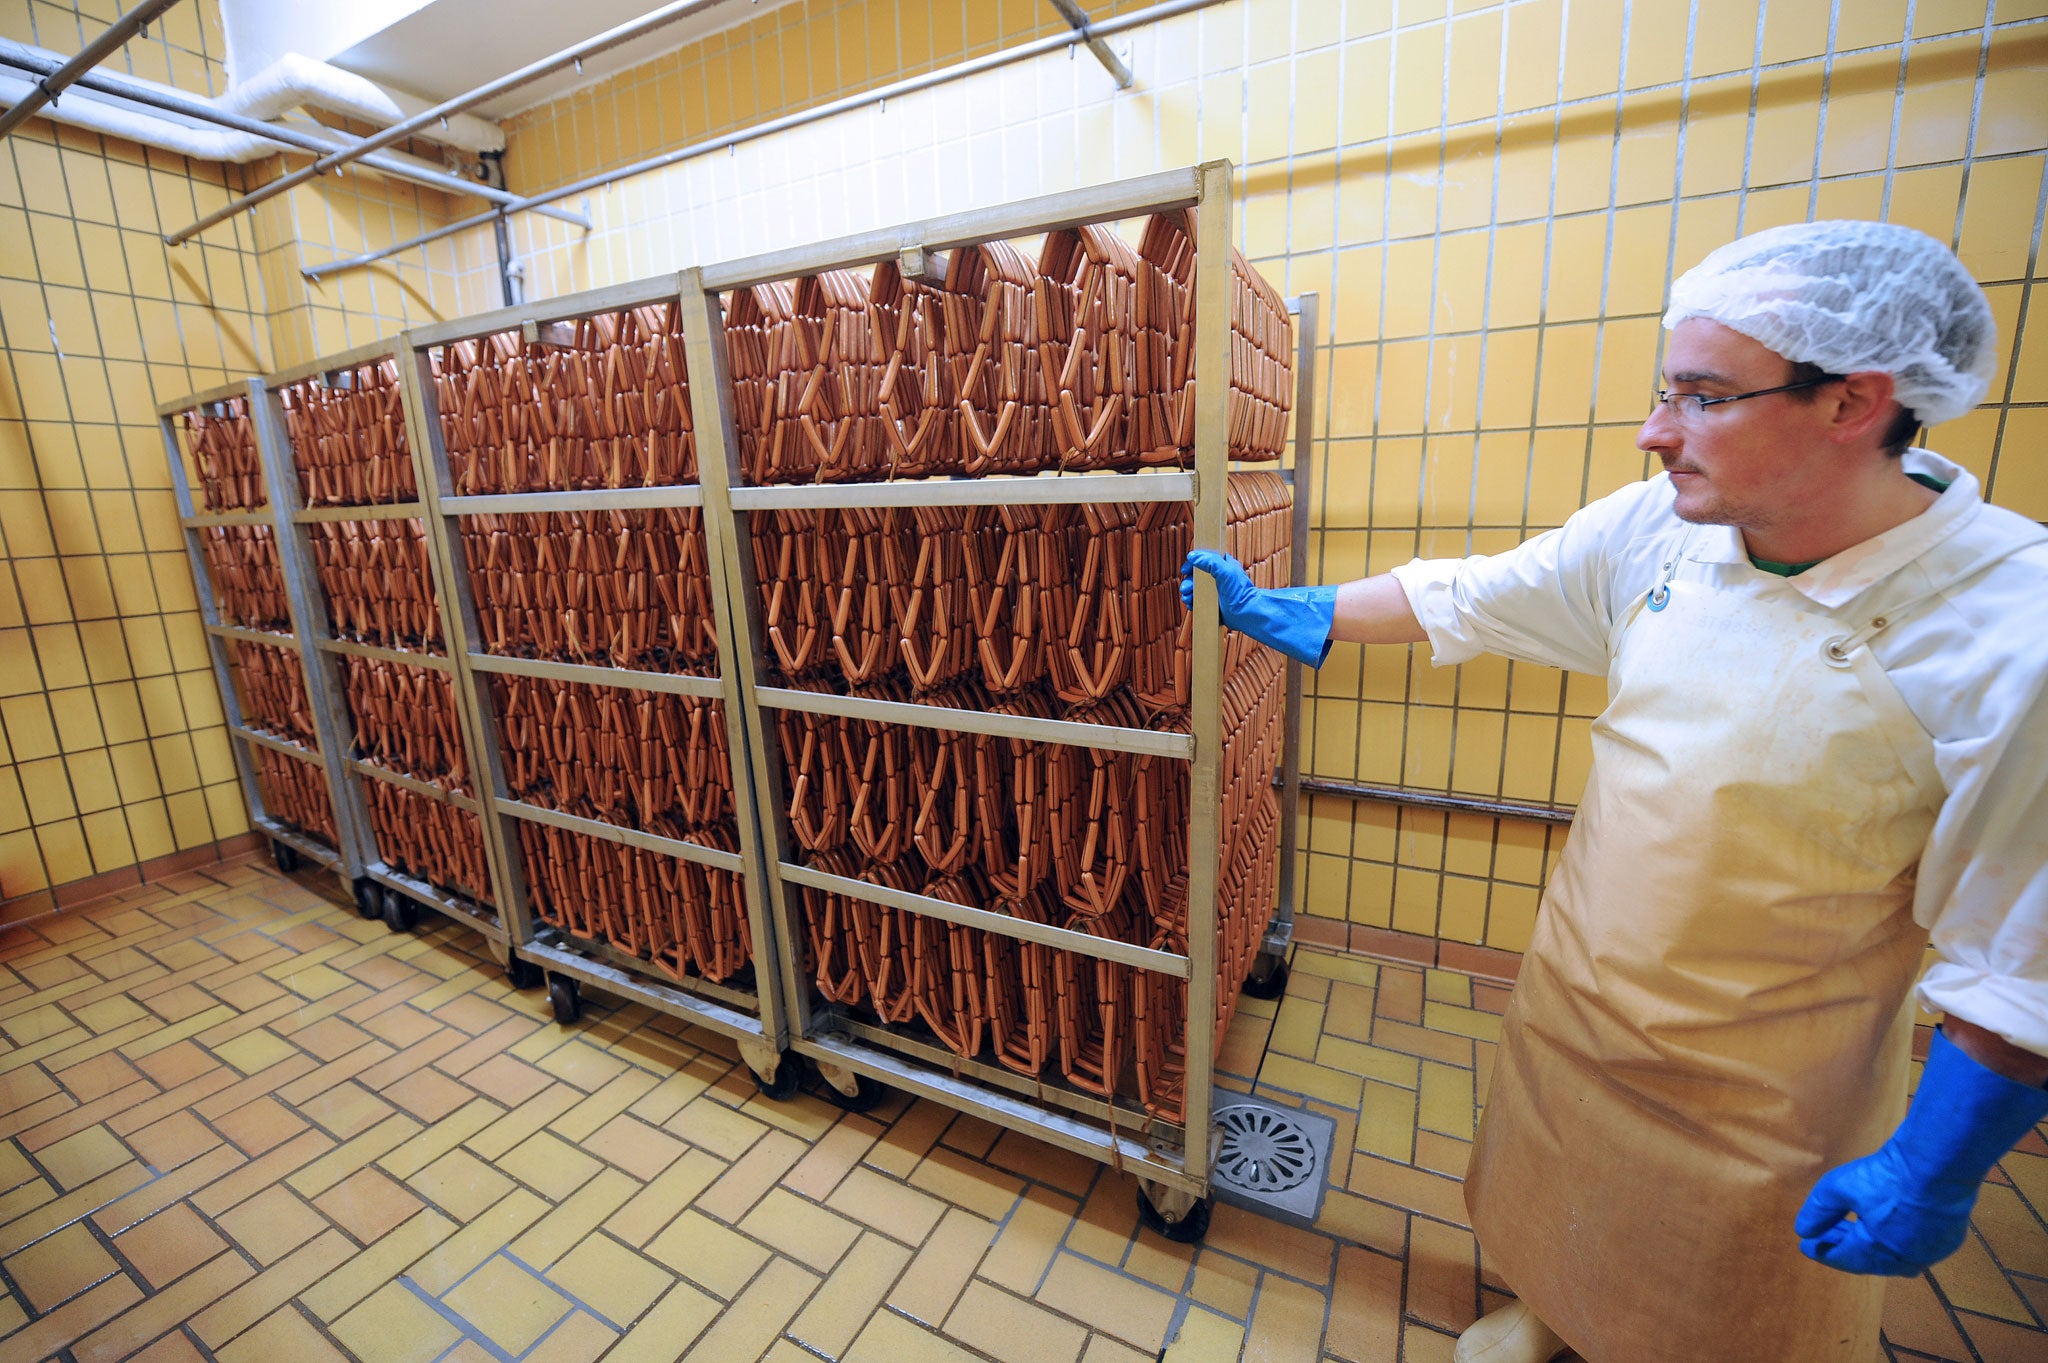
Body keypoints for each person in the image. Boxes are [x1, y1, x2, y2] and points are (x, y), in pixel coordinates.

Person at [1183, 220, 2048, 1363]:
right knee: (1556, 1204)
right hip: (1581, 1000)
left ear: (1852, 402)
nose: (1654, 432)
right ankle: (1545, 1314)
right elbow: (1487, 593)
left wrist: (1929, 1166)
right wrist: (1310, 610)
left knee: (1717, 1295)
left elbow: (2020, 950)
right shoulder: (1673, 530)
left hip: (1766, 1078)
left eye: (1699, 397)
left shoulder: (2006, 625)